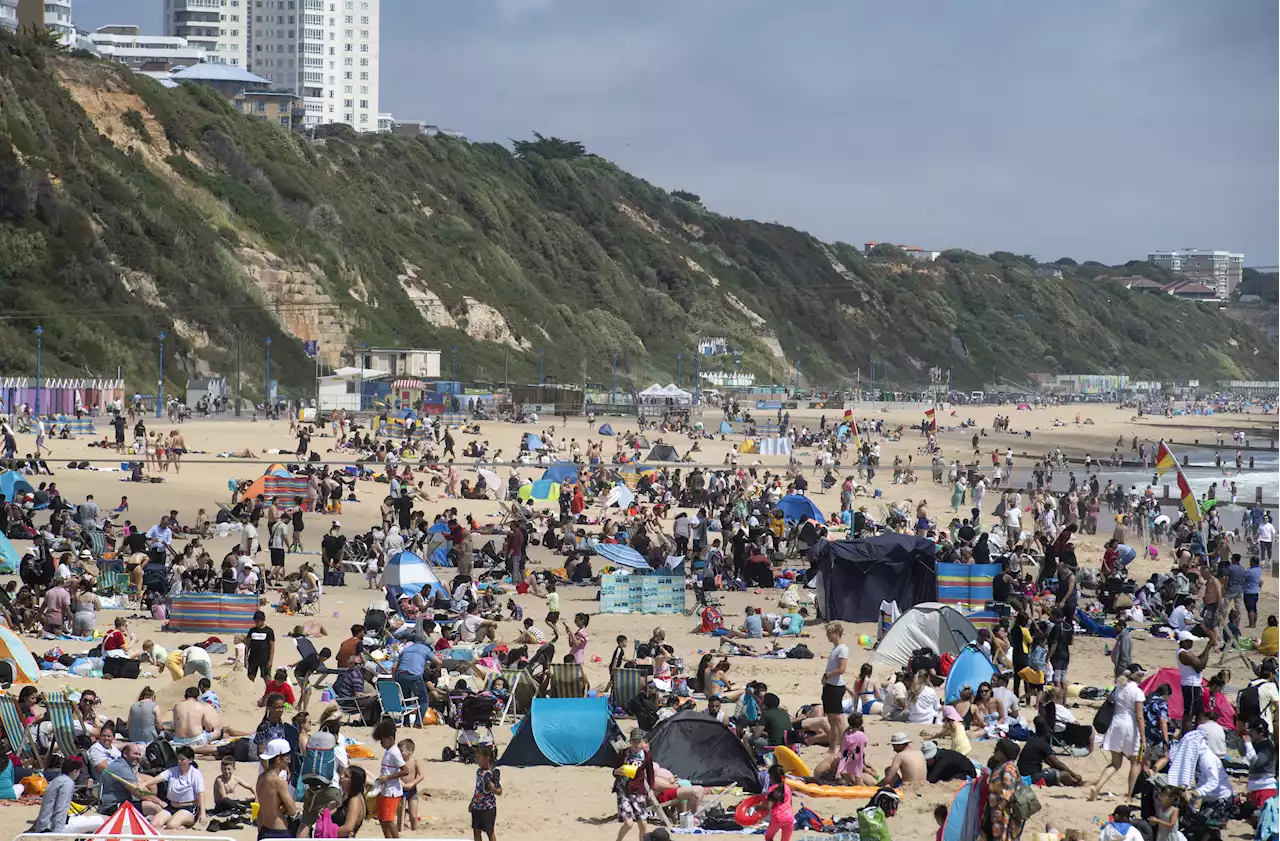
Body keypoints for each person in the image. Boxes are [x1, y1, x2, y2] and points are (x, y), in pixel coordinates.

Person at [1089, 664, 1147, 801]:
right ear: (1135, 676)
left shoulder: (1118, 687)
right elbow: (1139, 717)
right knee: (1135, 762)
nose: (1142, 678)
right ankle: (1129, 795)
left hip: (1115, 725)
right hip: (1129, 727)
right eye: (1141, 675)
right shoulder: (1137, 692)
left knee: (1115, 763)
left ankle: (1097, 788)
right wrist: (1143, 737)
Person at [144, 745, 205, 829]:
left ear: (190, 760)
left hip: (188, 808)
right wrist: (144, 784)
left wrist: (203, 813)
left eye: (182, 759)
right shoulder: (173, 770)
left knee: (171, 825)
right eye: (178, 759)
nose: (179, 761)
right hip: (172, 806)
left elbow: (200, 794)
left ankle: (185, 826)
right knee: (154, 824)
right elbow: (157, 778)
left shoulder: (195, 773)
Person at [613, 728, 655, 841]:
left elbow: (650, 774)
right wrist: (617, 771)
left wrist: (651, 789)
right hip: (623, 790)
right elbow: (615, 771)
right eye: (634, 741)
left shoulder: (646, 756)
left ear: (643, 742)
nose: (636, 744)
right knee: (629, 823)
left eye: (639, 741)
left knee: (643, 823)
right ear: (630, 741)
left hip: (639, 791)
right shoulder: (624, 754)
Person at [1017, 716, 1083, 787]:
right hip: (1031, 778)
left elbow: (1052, 763)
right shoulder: (1042, 744)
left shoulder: (1033, 740)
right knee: (1065, 775)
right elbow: (1057, 763)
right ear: (1045, 730)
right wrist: (1074, 775)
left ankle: (1076, 782)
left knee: (1055, 770)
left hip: (1024, 774)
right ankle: (1079, 783)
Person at [255, 739, 298, 840]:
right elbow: (292, 811)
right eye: (287, 757)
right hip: (278, 831)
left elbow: (266, 806)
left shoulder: (261, 778)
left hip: (263, 829)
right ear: (279, 759)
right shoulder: (278, 782)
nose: (289, 761)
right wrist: (283, 808)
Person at [984, 739, 1026, 841]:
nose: (994, 752)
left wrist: (999, 809)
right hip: (998, 810)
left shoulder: (1009, 768)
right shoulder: (1001, 767)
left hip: (1005, 811)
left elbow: (1008, 790)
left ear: (1004, 752)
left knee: (1004, 836)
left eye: (997, 749)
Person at [30, 756, 84, 832]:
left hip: (43, 824)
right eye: (79, 771)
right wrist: (57, 833)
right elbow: (61, 808)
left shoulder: (56, 780)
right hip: (51, 828)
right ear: (75, 771)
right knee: (99, 822)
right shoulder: (68, 783)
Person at [374, 719, 408, 838]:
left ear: (390, 739)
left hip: (392, 792)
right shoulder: (388, 751)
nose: (381, 743)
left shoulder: (394, 752)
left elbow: (405, 770)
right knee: (383, 819)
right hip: (385, 790)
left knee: (388, 819)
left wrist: (388, 777)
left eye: (382, 740)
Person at [1177, 629, 1215, 734]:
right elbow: (1200, 665)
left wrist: (1208, 647)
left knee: (1199, 713)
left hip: (1194, 685)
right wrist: (1208, 648)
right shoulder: (1183, 654)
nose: (1192, 643)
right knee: (1189, 714)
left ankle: (1197, 735)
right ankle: (1186, 737)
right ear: (1184, 642)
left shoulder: (1186, 654)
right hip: (1191, 685)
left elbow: (1198, 661)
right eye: (1189, 641)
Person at [821, 623, 849, 754]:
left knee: (838, 719)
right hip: (830, 685)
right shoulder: (836, 649)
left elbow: (842, 669)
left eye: (829, 634)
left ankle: (845, 745)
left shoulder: (842, 648)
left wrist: (827, 675)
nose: (827, 636)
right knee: (831, 719)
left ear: (836, 633)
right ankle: (833, 747)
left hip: (835, 686)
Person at [1242, 717, 1278, 808]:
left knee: (1260, 814)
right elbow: (1243, 754)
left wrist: (1248, 744)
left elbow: (1256, 762)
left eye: (1252, 731)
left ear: (1260, 732)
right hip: (1254, 789)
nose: (1250, 734)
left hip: (1265, 789)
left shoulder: (1268, 747)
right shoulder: (1255, 744)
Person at [469, 743, 502, 841]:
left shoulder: (492, 773)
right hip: (477, 806)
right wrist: (472, 802)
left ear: (487, 758)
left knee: (489, 831)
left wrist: (492, 788)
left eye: (479, 759)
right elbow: (477, 789)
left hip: (488, 808)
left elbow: (499, 791)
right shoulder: (479, 771)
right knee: (476, 831)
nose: (477, 761)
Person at [335, 765, 368, 838]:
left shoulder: (355, 800)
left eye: (346, 776)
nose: (341, 776)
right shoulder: (351, 796)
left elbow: (347, 828)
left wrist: (325, 833)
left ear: (353, 782)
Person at [763, 764, 793, 841]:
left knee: (768, 837)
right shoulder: (787, 787)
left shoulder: (772, 789)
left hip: (777, 817)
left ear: (772, 777)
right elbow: (790, 803)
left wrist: (759, 808)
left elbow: (768, 807)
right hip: (789, 817)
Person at [246, 610, 276, 684]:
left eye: (258, 621)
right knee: (250, 677)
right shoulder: (252, 631)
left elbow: (272, 646)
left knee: (267, 678)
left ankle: (269, 693)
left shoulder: (269, 631)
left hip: (264, 659)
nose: (256, 623)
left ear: (262, 621)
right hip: (253, 658)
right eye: (255, 621)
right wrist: (245, 656)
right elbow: (248, 644)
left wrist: (270, 660)